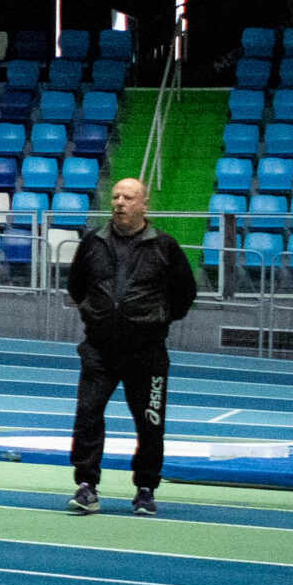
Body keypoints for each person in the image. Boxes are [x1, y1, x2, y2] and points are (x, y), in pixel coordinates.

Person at [65, 175, 196, 517]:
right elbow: (76, 286)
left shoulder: (164, 246)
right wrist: (97, 314)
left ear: (144, 205)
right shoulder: (93, 242)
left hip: (147, 353)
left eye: (128, 198)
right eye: (116, 197)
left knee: (150, 422)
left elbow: (185, 294)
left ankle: (145, 489)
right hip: (99, 350)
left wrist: (155, 320)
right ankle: (86, 486)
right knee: (87, 416)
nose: (120, 203)